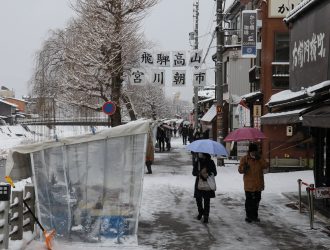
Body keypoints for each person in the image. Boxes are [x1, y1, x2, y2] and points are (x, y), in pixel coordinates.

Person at [238, 143, 268, 223]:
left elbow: (265, 166)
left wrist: (260, 159)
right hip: (249, 184)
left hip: (258, 184)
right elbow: (240, 170)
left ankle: (255, 216)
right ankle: (248, 216)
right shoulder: (245, 159)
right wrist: (244, 168)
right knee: (249, 201)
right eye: (252, 151)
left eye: (255, 151)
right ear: (249, 151)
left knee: (257, 200)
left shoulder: (260, 158)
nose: (253, 153)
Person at [192, 153, 217, 223]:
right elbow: (193, 173)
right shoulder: (198, 162)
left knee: (207, 200)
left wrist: (207, 173)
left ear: (204, 154)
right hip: (199, 183)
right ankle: (200, 212)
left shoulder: (211, 162)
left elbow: (215, 173)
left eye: (201, 153)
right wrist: (200, 173)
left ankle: (206, 216)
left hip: (208, 183)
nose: (199, 154)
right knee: (198, 199)